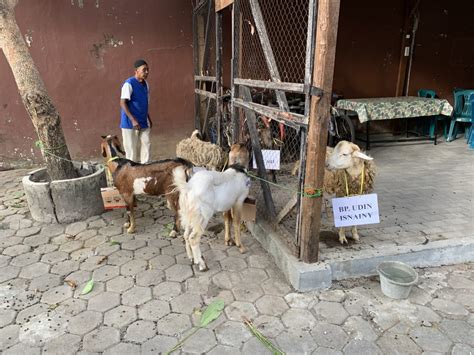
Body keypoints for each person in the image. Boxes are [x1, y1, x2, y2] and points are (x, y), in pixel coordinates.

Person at [120, 59, 152, 163]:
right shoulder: (129, 84)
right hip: (130, 123)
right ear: (136, 71)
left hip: (143, 120)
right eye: (144, 70)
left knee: (147, 145)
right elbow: (122, 103)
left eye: (147, 69)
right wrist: (133, 120)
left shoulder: (146, 84)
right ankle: (131, 172)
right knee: (131, 151)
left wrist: (148, 118)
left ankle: (145, 168)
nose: (146, 72)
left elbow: (144, 103)